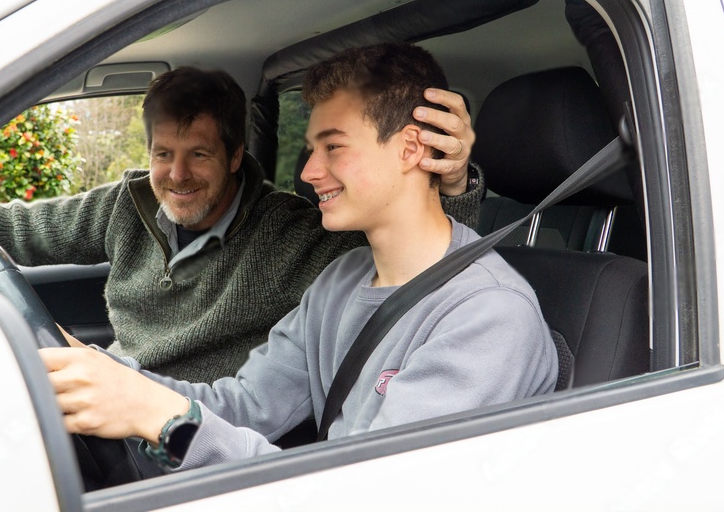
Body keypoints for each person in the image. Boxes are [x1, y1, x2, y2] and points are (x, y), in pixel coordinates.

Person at [38, 42, 557, 470]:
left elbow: (366, 496)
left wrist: (168, 422)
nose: (308, 173)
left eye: (333, 148)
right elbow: (243, 408)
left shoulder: (489, 318)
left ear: (411, 148)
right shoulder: (343, 278)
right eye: (312, 149)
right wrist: (106, 378)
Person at [0, 65, 483, 383]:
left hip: (191, 443)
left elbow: (415, 257)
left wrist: (452, 185)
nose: (177, 175)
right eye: (163, 154)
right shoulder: (124, 206)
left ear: (236, 157)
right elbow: (12, 226)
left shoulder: (291, 231)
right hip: (113, 399)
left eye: (199, 154)